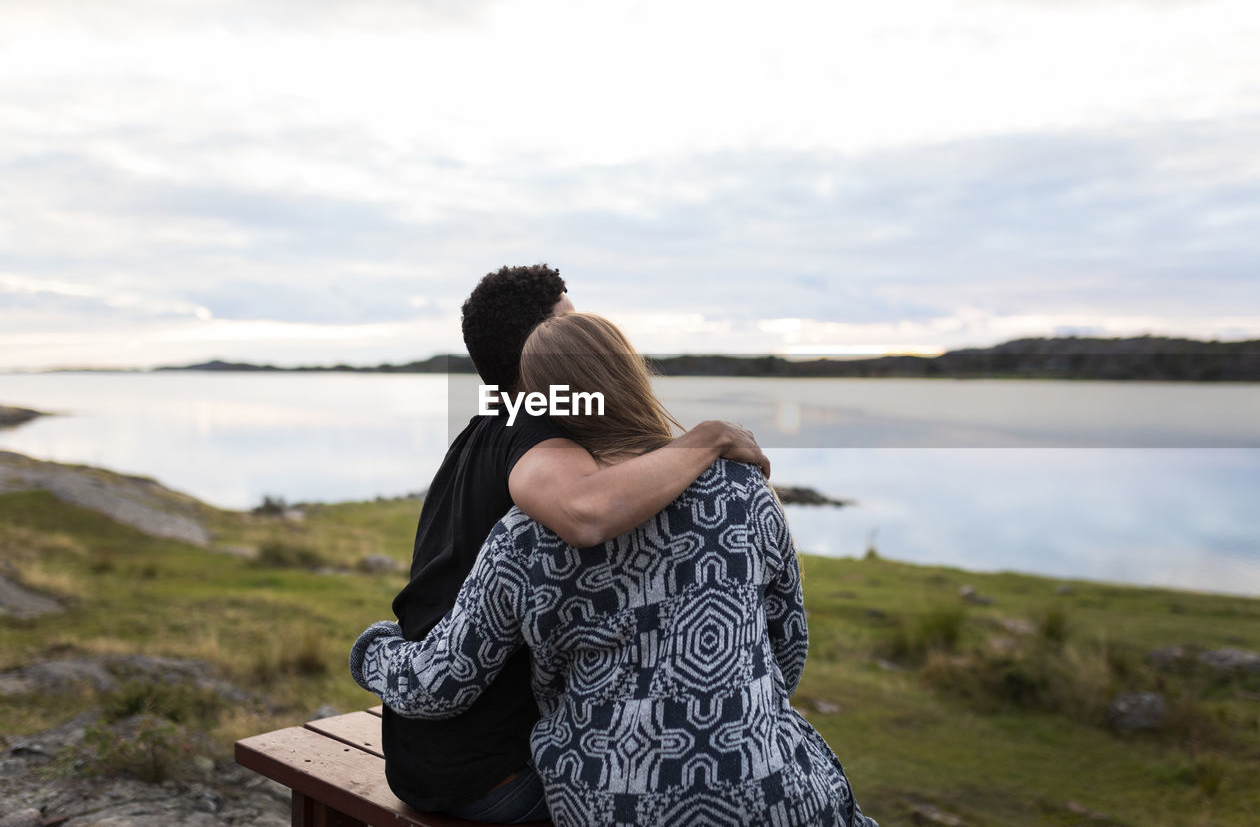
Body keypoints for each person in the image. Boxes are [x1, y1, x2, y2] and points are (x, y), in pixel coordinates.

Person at [353, 312, 878, 827]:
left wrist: (373, 649)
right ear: (632, 373)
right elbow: (787, 648)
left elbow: (440, 685)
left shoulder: (525, 536)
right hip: (773, 786)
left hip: (609, 798)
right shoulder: (742, 490)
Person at [385, 266, 770, 822]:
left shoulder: (483, 430)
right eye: (572, 324)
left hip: (427, 755)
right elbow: (584, 512)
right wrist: (709, 438)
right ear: (543, 352)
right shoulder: (534, 431)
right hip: (495, 776)